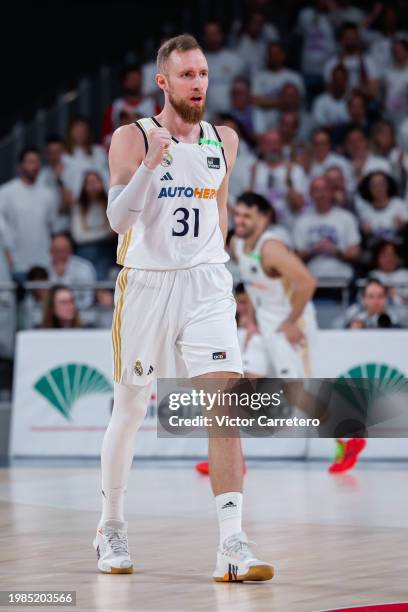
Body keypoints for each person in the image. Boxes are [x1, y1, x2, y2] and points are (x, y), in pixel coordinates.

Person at [95, 34, 273, 582]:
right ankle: (110, 526)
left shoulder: (226, 140)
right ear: (163, 82)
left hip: (206, 285)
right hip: (146, 284)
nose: (198, 83)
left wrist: (228, 279)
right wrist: (150, 166)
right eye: (187, 75)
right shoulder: (132, 137)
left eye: (203, 74)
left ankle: (232, 544)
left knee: (224, 408)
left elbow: (217, 212)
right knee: (130, 410)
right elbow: (118, 222)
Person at [230, 192, 317, 378]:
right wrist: (252, 322)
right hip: (264, 323)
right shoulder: (237, 244)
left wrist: (291, 322)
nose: (239, 221)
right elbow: (253, 287)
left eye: (247, 216)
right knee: (247, 382)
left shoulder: (270, 248)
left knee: (298, 395)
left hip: (289, 323)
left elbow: (308, 282)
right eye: (237, 214)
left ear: (262, 219)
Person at [0, 148, 57, 280]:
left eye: (37, 162)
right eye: (30, 162)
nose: (34, 166)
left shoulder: (48, 194)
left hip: (43, 262)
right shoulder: (5, 192)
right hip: (15, 261)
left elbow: (51, 225)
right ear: (21, 165)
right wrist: (7, 253)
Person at [294, 176, 361, 283]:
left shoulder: (346, 218)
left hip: (342, 279)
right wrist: (313, 250)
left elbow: (356, 252)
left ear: (331, 192)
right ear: (310, 194)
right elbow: (296, 256)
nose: (321, 194)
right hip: (311, 280)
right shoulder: (302, 221)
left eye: (324, 189)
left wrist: (335, 251)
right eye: (316, 190)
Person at [250, 129, 309, 229]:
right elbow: (248, 203)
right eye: (269, 143)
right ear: (262, 146)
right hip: (259, 229)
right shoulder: (255, 169)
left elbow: (299, 205)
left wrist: (288, 180)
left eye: (276, 143)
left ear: (282, 145)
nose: (274, 147)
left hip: (287, 229)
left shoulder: (295, 170)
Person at [71, 171, 115, 279]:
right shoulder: (78, 207)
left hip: (106, 250)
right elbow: (78, 236)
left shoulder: (109, 204)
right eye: (89, 183)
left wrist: (91, 234)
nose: (93, 186)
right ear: (84, 186)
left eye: (96, 182)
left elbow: (113, 231)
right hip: (85, 250)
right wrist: (104, 234)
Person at [101, 65, 157, 148]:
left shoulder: (152, 105)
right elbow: (105, 138)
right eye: (132, 80)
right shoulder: (115, 107)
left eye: (138, 79)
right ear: (124, 82)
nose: (135, 83)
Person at [202, 22, 243, 116]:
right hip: (207, 115)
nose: (212, 37)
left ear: (221, 35)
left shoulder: (235, 60)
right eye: (209, 34)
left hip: (233, 114)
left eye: (214, 33)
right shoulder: (198, 61)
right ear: (204, 37)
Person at [356, 171, 408, 245]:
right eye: (374, 185)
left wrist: (403, 227)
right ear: (368, 188)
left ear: (388, 185)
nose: (378, 188)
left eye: (382, 184)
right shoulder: (364, 211)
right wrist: (364, 234)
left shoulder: (399, 205)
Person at [49, 233, 96, 310]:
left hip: (79, 314)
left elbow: (88, 299)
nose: (60, 254)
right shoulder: (42, 269)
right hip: (49, 315)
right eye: (57, 250)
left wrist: (68, 309)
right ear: (51, 251)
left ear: (71, 250)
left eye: (63, 250)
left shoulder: (84, 268)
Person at [65, 117, 109, 195]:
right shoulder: (64, 156)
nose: (80, 133)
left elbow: (106, 175)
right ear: (70, 132)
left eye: (83, 130)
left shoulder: (98, 151)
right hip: (77, 202)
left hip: (102, 200)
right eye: (77, 130)